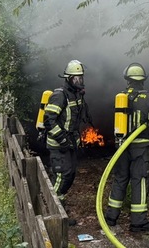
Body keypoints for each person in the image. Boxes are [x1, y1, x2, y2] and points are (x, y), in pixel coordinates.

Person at [105, 62, 149, 232]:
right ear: (143, 81)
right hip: (140, 148)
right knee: (140, 181)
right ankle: (138, 221)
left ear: (128, 80)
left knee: (120, 179)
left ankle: (110, 217)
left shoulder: (120, 97)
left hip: (121, 148)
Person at [44, 59, 87, 224]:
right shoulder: (59, 95)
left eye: (81, 78)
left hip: (69, 145)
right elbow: (49, 120)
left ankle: (60, 213)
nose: (79, 81)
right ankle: (52, 214)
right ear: (68, 78)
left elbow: (74, 121)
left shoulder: (75, 95)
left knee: (69, 176)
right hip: (58, 145)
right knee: (62, 177)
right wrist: (62, 138)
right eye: (76, 79)